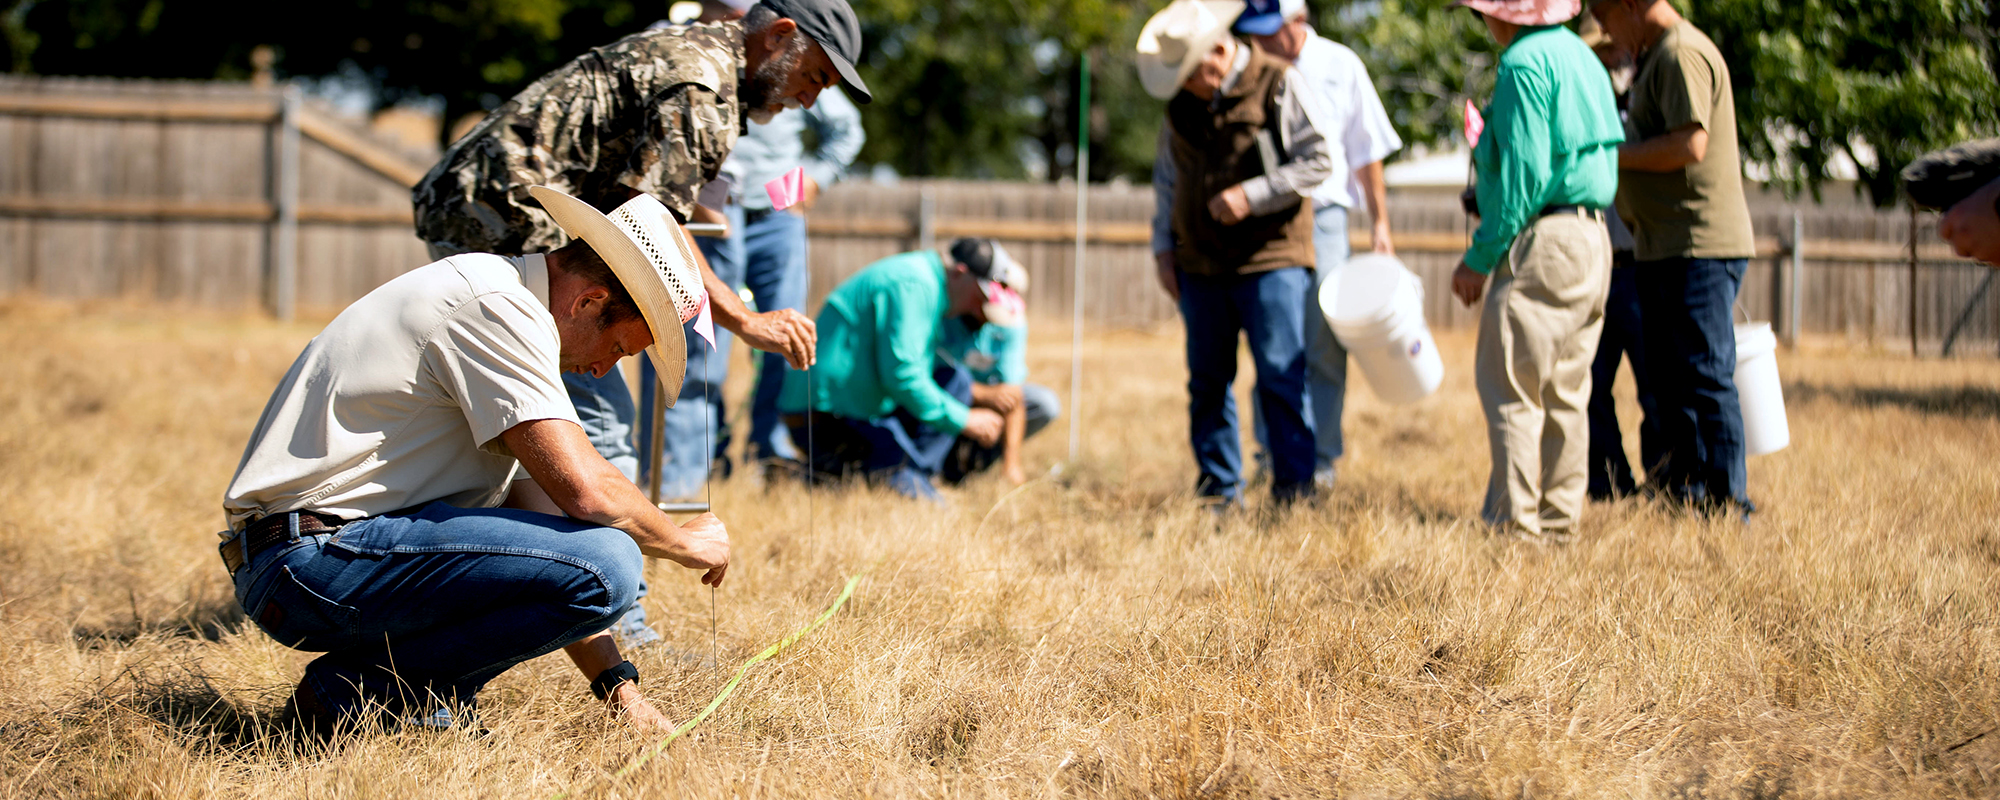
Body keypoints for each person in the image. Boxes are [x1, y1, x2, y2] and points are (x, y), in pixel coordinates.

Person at [410, 0, 867, 644]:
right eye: (815, 76)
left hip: (482, 207)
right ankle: (626, 635)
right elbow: (654, 227)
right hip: (502, 216)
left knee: (519, 433)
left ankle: (474, 593)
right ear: (780, 36)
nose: (811, 100)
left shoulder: (707, 64)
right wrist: (746, 319)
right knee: (601, 427)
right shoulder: (702, 86)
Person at [221, 187, 729, 737]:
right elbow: (590, 496)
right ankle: (360, 692)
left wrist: (618, 690)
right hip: (308, 560)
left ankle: (400, 700)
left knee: (599, 559)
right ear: (589, 302)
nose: (605, 370)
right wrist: (682, 542)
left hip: (314, 556)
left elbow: (562, 534)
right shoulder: (496, 306)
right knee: (614, 562)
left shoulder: (500, 301)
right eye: (620, 349)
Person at [645, 0, 868, 495]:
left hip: (773, 209)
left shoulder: (798, 54)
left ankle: (773, 456)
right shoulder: (681, 43)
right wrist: (694, 200)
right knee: (700, 339)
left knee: (785, 338)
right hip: (707, 207)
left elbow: (846, 130)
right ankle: (688, 473)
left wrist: (809, 183)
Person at [1139, 0, 1335, 506]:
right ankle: (1219, 494)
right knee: (1207, 382)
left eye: (1190, 74)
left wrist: (1252, 195)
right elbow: (1167, 181)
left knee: (1280, 376)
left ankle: (1294, 492)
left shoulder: (1279, 82)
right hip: (1201, 264)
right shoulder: (1181, 107)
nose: (1185, 85)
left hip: (1272, 260)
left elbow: (1317, 163)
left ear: (1220, 51)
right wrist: (1163, 248)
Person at [1447, 0, 1623, 539]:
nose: (1483, 22)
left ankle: (1516, 531)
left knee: (1511, 388)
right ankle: (1558, 526)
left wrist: (1480, 257)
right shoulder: (1583, 57)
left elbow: (1525, 178)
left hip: (1545, 240)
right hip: (1595, 239)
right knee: (1567, 391)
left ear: (1509, 15)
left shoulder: (1524, 63)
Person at [1588, 0, 1757, 516]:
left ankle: (1729, 503)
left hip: (1699, 246)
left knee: (1704, 377)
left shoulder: (1681, 53)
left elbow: (1690, 143)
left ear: (1632, 5)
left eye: (1605, 14)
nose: (1604, 28)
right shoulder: (1657, 55)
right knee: (1670, 383)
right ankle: (1688, 494)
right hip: (1664, 247)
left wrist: (1609, 155)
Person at [1233, 0, 1402, 489]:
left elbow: (1366, 151)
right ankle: (1273, 453)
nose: (1260, 41)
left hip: (1325, 217)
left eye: (1271, 31)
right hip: (1270, 219)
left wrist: (1380, 225)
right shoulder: (1253, 67)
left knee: (1325, 342)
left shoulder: (1340, 65)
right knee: (1273, 341)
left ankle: (1322, 460)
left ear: (1298, 21)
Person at [778, 238, 1018, 502]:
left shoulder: (927, 283)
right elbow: (903, 377)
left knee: (955, 380)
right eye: (979, 296)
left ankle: (910, 475)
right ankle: (884, 479)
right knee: (924, 504)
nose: (978, 308)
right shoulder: (914, 285)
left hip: (859, 409)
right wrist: (965, 419)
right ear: (960, 273)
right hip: (824, 416)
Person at [1577, 13, 1658, 499]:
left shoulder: (1643, 110)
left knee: (1654, 386)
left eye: (1617, 54)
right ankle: (1609, 484)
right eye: (1601, 56)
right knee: (1590, 386)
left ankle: (1664, 480)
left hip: (1639, 266)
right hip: (1594, 269)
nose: (1613, 64)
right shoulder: (1581, 113)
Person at [931, 244, 1060, 487]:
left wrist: (1012, 465)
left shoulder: (1010, 325)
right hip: (941, 401)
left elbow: (1012, 395)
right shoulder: (945, 314)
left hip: (982, 404)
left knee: (1045, 404)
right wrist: (985, 395)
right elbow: (922, 381)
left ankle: (972, 463)